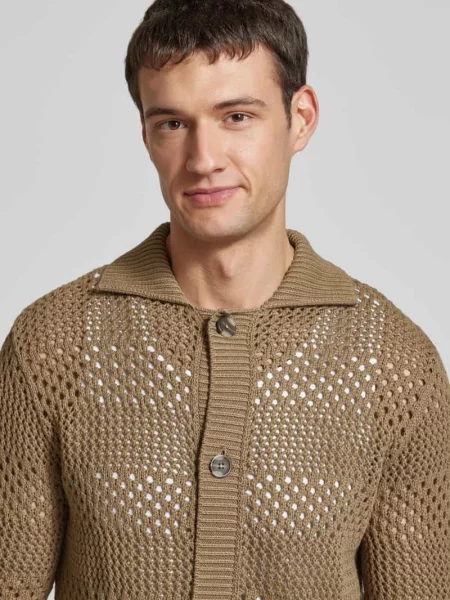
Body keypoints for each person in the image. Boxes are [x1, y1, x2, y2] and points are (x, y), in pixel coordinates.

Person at [1, 0, 449, 598]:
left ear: (300, 118)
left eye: (237, 116)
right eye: (172, 123)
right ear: (146, 135)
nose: (204, 160)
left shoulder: (395, 366)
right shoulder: (52, 346)